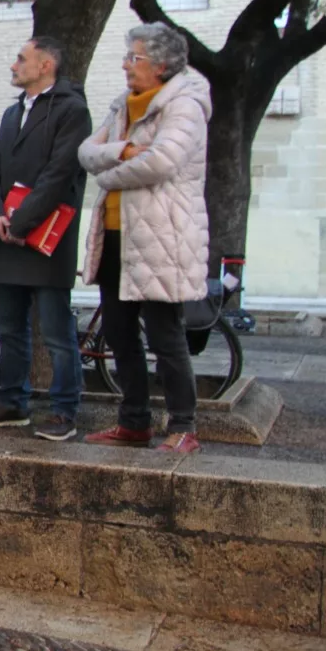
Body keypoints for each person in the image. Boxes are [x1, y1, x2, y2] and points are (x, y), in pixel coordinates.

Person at [78, 23, 211, 453]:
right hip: (117, 235)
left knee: (164, 335)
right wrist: (122, 152)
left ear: (161, 64)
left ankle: (183, 426)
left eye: (133, 58)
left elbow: (162, 163)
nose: (125, 64)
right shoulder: (124, 104)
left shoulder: (185, 104)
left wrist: (109, 174)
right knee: (118, 332)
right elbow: (85, 152)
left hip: (161, 239)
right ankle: (134, 421)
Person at [0, 37, 93, 439]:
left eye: (21, 59)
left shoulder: (72, 111)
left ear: (45, 65)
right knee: (9, 327)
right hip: (6, 235)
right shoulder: (12, 114)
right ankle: (12, 402)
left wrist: (20, 222)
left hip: (45, 239)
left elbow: (60, 175)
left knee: (58, 333)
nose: (14, 65)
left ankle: (64, 410)